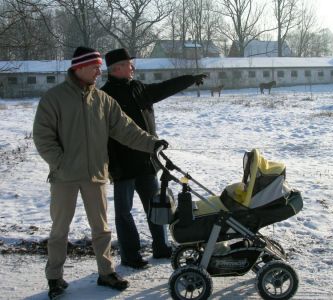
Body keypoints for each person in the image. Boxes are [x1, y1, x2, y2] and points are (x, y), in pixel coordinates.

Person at [32, 46, 168, 299]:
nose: (99, 72)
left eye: (99, 67)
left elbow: (126, 129)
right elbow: (42, 136)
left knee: (102, 229)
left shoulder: (103, 101)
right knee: (60, 230)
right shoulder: (54, 98)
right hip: (64, 177)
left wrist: (152, 143)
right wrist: (60, 163)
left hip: (95, 174)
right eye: (94, 67)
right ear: (79, 67)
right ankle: (54, 277)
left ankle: (106, 272)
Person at [101, 48, 207, 269]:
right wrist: (112, 166)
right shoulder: (106, 96)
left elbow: (163, 89)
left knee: (156, 206)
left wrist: (188, 80)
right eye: (129, 64)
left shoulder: (138, 87)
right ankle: (130, 255)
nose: (133, 67)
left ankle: (161, 247)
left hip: (147, 162)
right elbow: (102, 137)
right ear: (117, 67)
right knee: (123, 212)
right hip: (123, 166)